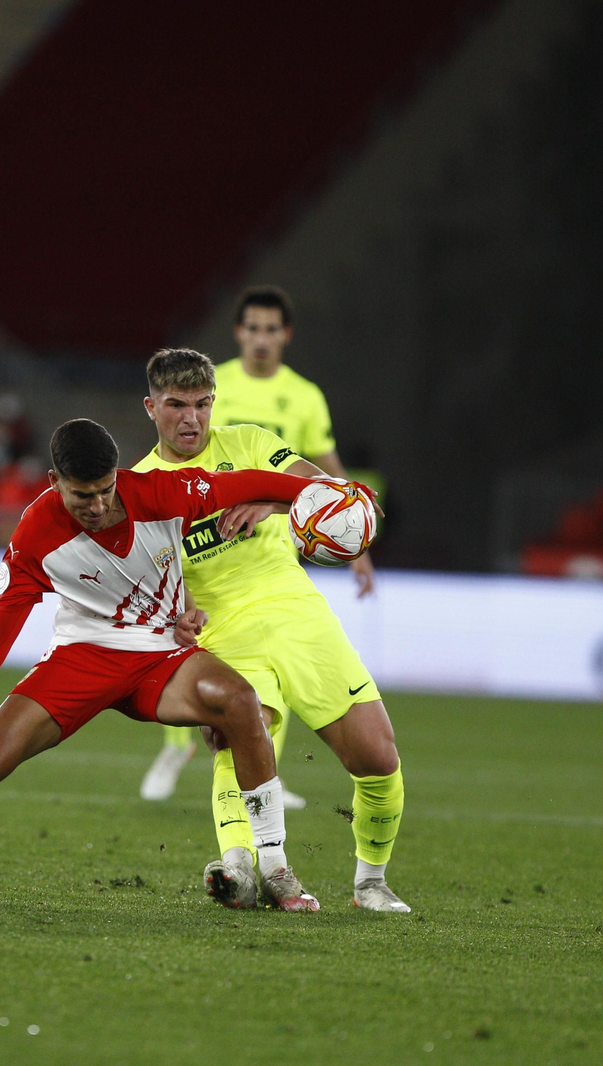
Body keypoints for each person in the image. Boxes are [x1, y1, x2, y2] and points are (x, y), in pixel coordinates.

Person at [0, 418, 320, 911]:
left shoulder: (163, 492)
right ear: (54, 482)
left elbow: (260, 482)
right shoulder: (35, 534)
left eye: (105, 490)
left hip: (163, 653)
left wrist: (335, 493)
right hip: (82, 657)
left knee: (240, 701)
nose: (96, 505)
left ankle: (274, 866)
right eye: (81, 494)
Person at [134, 348, 409, 912]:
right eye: (177, 405)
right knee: (239, 740)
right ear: (151, 407)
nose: (193, 419)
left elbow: (327, 491)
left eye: (203, 404)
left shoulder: (251, 444)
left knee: (377, 757)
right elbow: (150, 591)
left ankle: (370, 883)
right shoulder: (137, 491)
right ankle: (240, 867)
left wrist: (270, 498)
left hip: (297, 613)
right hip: (224, 632)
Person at [140, 285, 370, 803]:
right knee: (191, 641)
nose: (261, 338)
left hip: (273, 547)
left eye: (272, 329)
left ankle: (264, 776)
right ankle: (177, 748)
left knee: (272, 671)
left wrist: (354, 541)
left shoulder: (305, 395)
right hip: (206, 551)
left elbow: (325, 471)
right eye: (253, 328)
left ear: (285, 336)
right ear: (239, 332)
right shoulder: (210, 385)